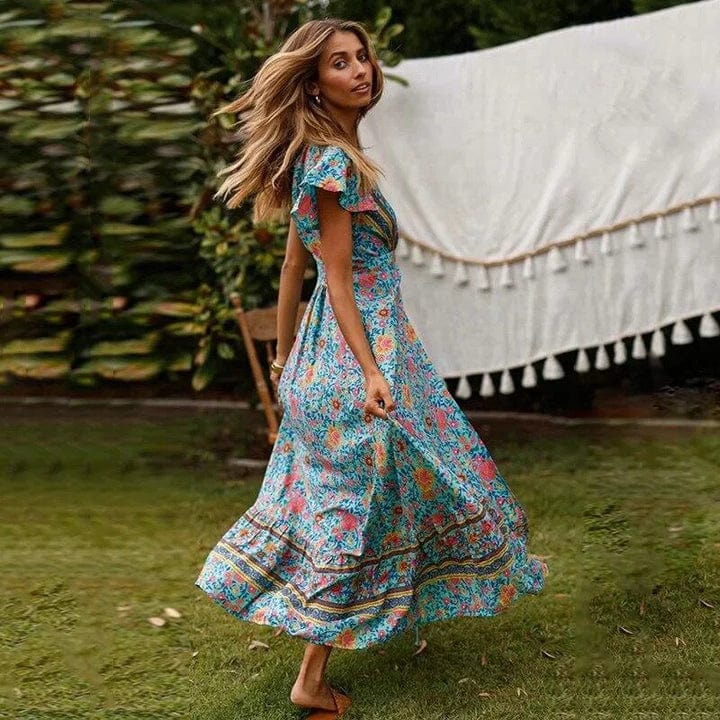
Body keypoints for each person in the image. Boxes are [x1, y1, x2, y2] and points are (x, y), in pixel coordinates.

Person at [195, 17, 547, 719]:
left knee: (373, 500)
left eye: (362, 57)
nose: (359, 70)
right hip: (362, 354)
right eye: (339, 62)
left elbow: (292, 268)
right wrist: (371, 371)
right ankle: (313, 675)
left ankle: (353, 638)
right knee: (388, 501)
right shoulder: (334, 164)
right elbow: (335, 275)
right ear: (313, 81)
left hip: (329, 355)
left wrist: (286, 358)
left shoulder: (322, 156)